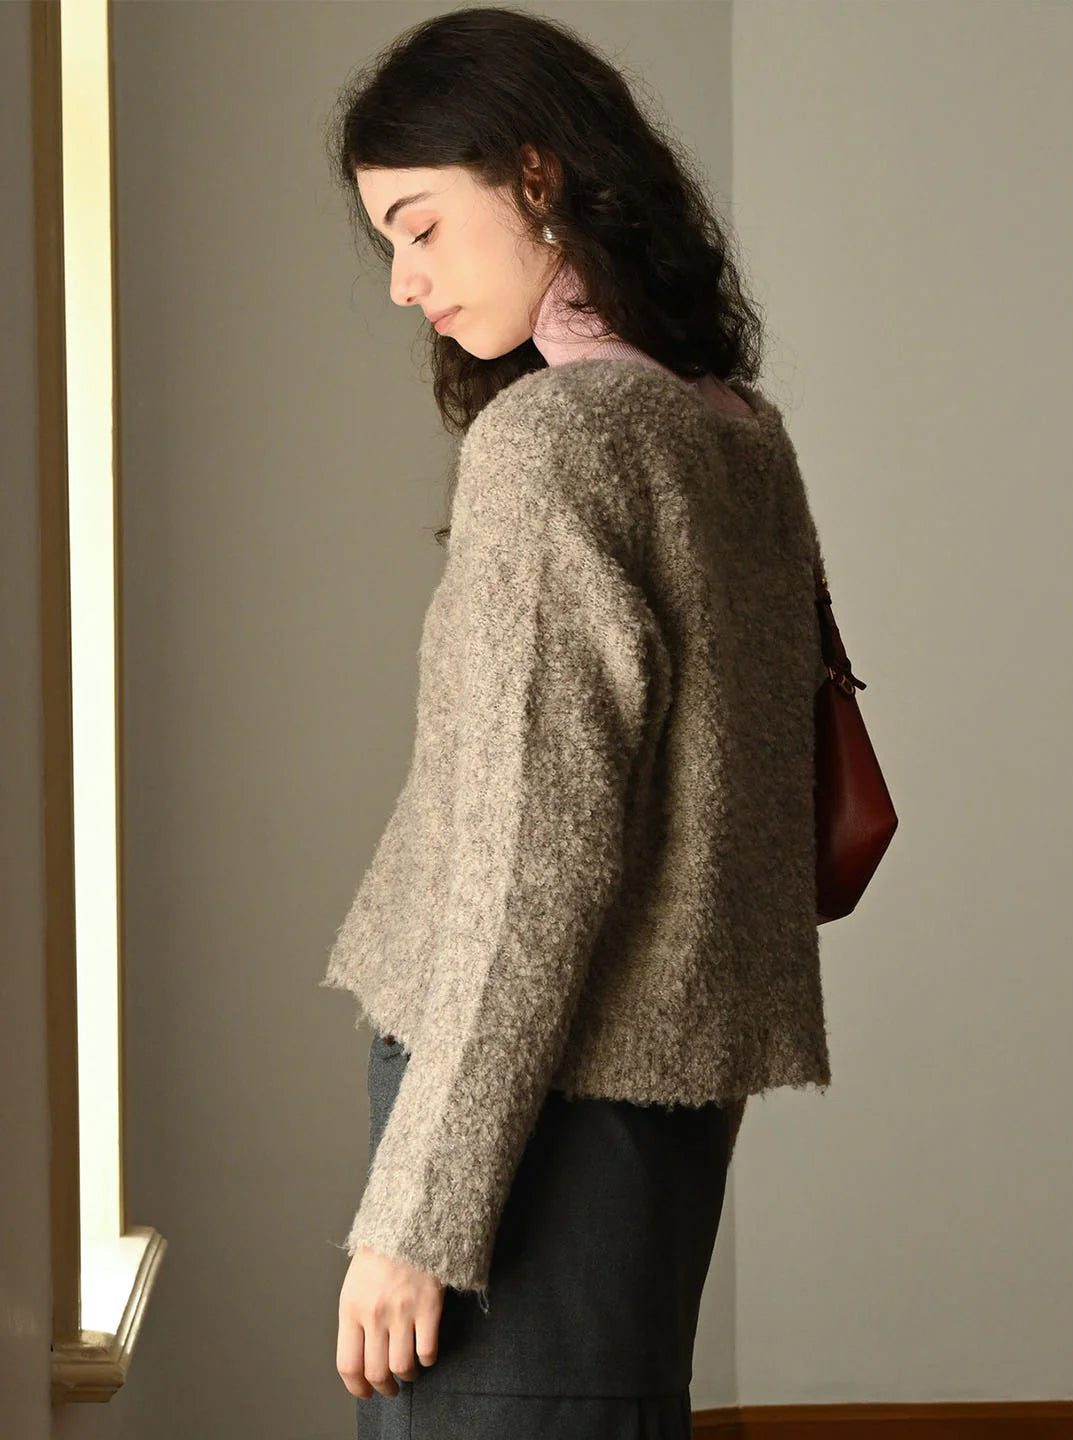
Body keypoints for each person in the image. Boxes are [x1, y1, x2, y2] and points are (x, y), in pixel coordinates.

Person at [319, 8, 832, 1438]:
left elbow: (529, 868)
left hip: (521, 1113)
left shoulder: (553, 444)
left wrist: (416, 1217)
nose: (404, 282)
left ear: (536, 176)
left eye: (422, 226)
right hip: (656, 1114)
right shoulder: (733, 430)